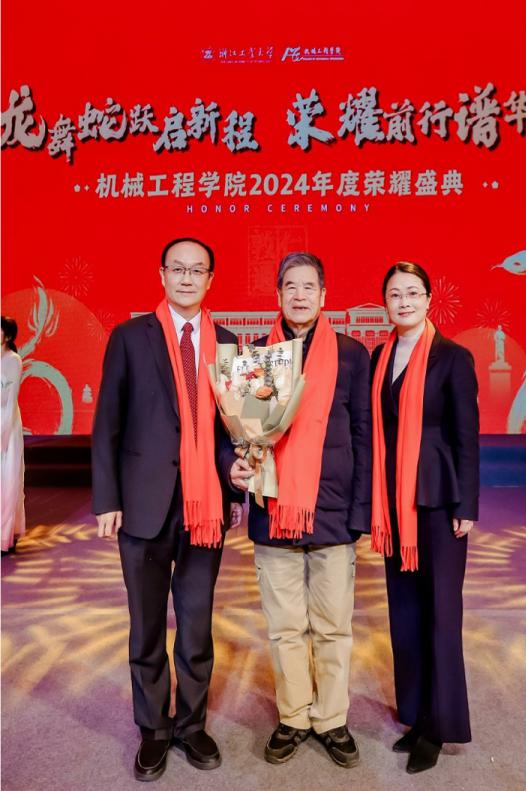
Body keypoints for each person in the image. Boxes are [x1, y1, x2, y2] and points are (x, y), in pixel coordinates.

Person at [92, 238, 243, 781]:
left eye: (197, 270)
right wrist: (108, 498)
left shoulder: (227, 344)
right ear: (161, 274)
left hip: (205, 507)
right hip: (143, 503)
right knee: (147, 625)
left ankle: (191, 725)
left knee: (197, 626)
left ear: (210, 279)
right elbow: (108, 422)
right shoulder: (130, 337)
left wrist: (233, 481)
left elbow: (231, 430)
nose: (186, 278)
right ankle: (153, 729)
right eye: (177, 269)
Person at [230, 252, 371, 768]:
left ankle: (331, 719)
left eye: (309, 286)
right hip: (275, 511)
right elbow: (248, 437)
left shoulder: (352, 355)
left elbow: (364, 436)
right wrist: (243, 468)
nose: (300, 295)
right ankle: (293, 716)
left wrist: (360, 512)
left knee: (333, 626)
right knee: (285, 626)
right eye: (291, 286)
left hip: (333, 510)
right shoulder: (259, 355)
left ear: (324, 295)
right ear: (279, 294)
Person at [370, 262, 479, 774]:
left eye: (413, 293)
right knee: (406, 613)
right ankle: (414, 714)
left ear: (429, 299)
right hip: (394, 502)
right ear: (385, 303)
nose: (404, 302)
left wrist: (467, 505)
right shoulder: (380, 356)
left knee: (440, 613)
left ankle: (439, 724)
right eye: (395, 294)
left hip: (438, 500)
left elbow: (466, 436)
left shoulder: (453, 357)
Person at [1, 316, 25, 555]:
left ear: (7, 336)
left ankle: (4, 536)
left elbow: (10, 400)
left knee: (7, 479)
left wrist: (4, 433)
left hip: (6, 422)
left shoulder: (13, 360)